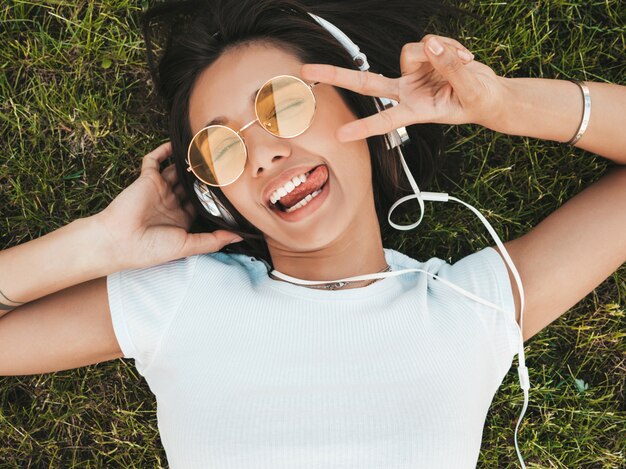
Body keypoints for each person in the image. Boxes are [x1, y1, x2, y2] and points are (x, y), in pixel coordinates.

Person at [1, 0, 624, 468]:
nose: (265, 154)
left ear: (364, 104)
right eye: (221, 148)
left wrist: (501, 106)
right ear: (215, 193)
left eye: (284, 105)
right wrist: (98, 243)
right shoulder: (178, 300)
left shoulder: (473, 309)